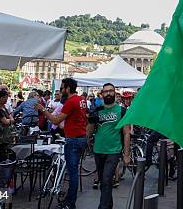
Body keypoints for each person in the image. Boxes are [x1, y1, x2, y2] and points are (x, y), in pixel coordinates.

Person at [36, 78, 87, 209]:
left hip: (73, 139)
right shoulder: (82, 99)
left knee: (72, 173)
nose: (61, 91)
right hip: (81, 137)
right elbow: (78, 118)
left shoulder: (71, 102)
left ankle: (70, 203)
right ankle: (69, 200)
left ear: (68, 88)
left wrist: (43, 110)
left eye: (63, 88)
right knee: (73, 171)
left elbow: (55, 120)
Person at [87, 83, 131, 208]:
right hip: (98, 150)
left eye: (111, 91)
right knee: (103, 182)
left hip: (114, 151)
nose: (108, 93)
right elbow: (89, 131)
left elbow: (126, 133)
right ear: (102, 94)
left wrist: (126, 155)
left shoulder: (122, 111)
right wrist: (90, 120)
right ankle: (108, 205)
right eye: (106, 91)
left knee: (106, 179)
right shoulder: (97, 110)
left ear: (115, 93)